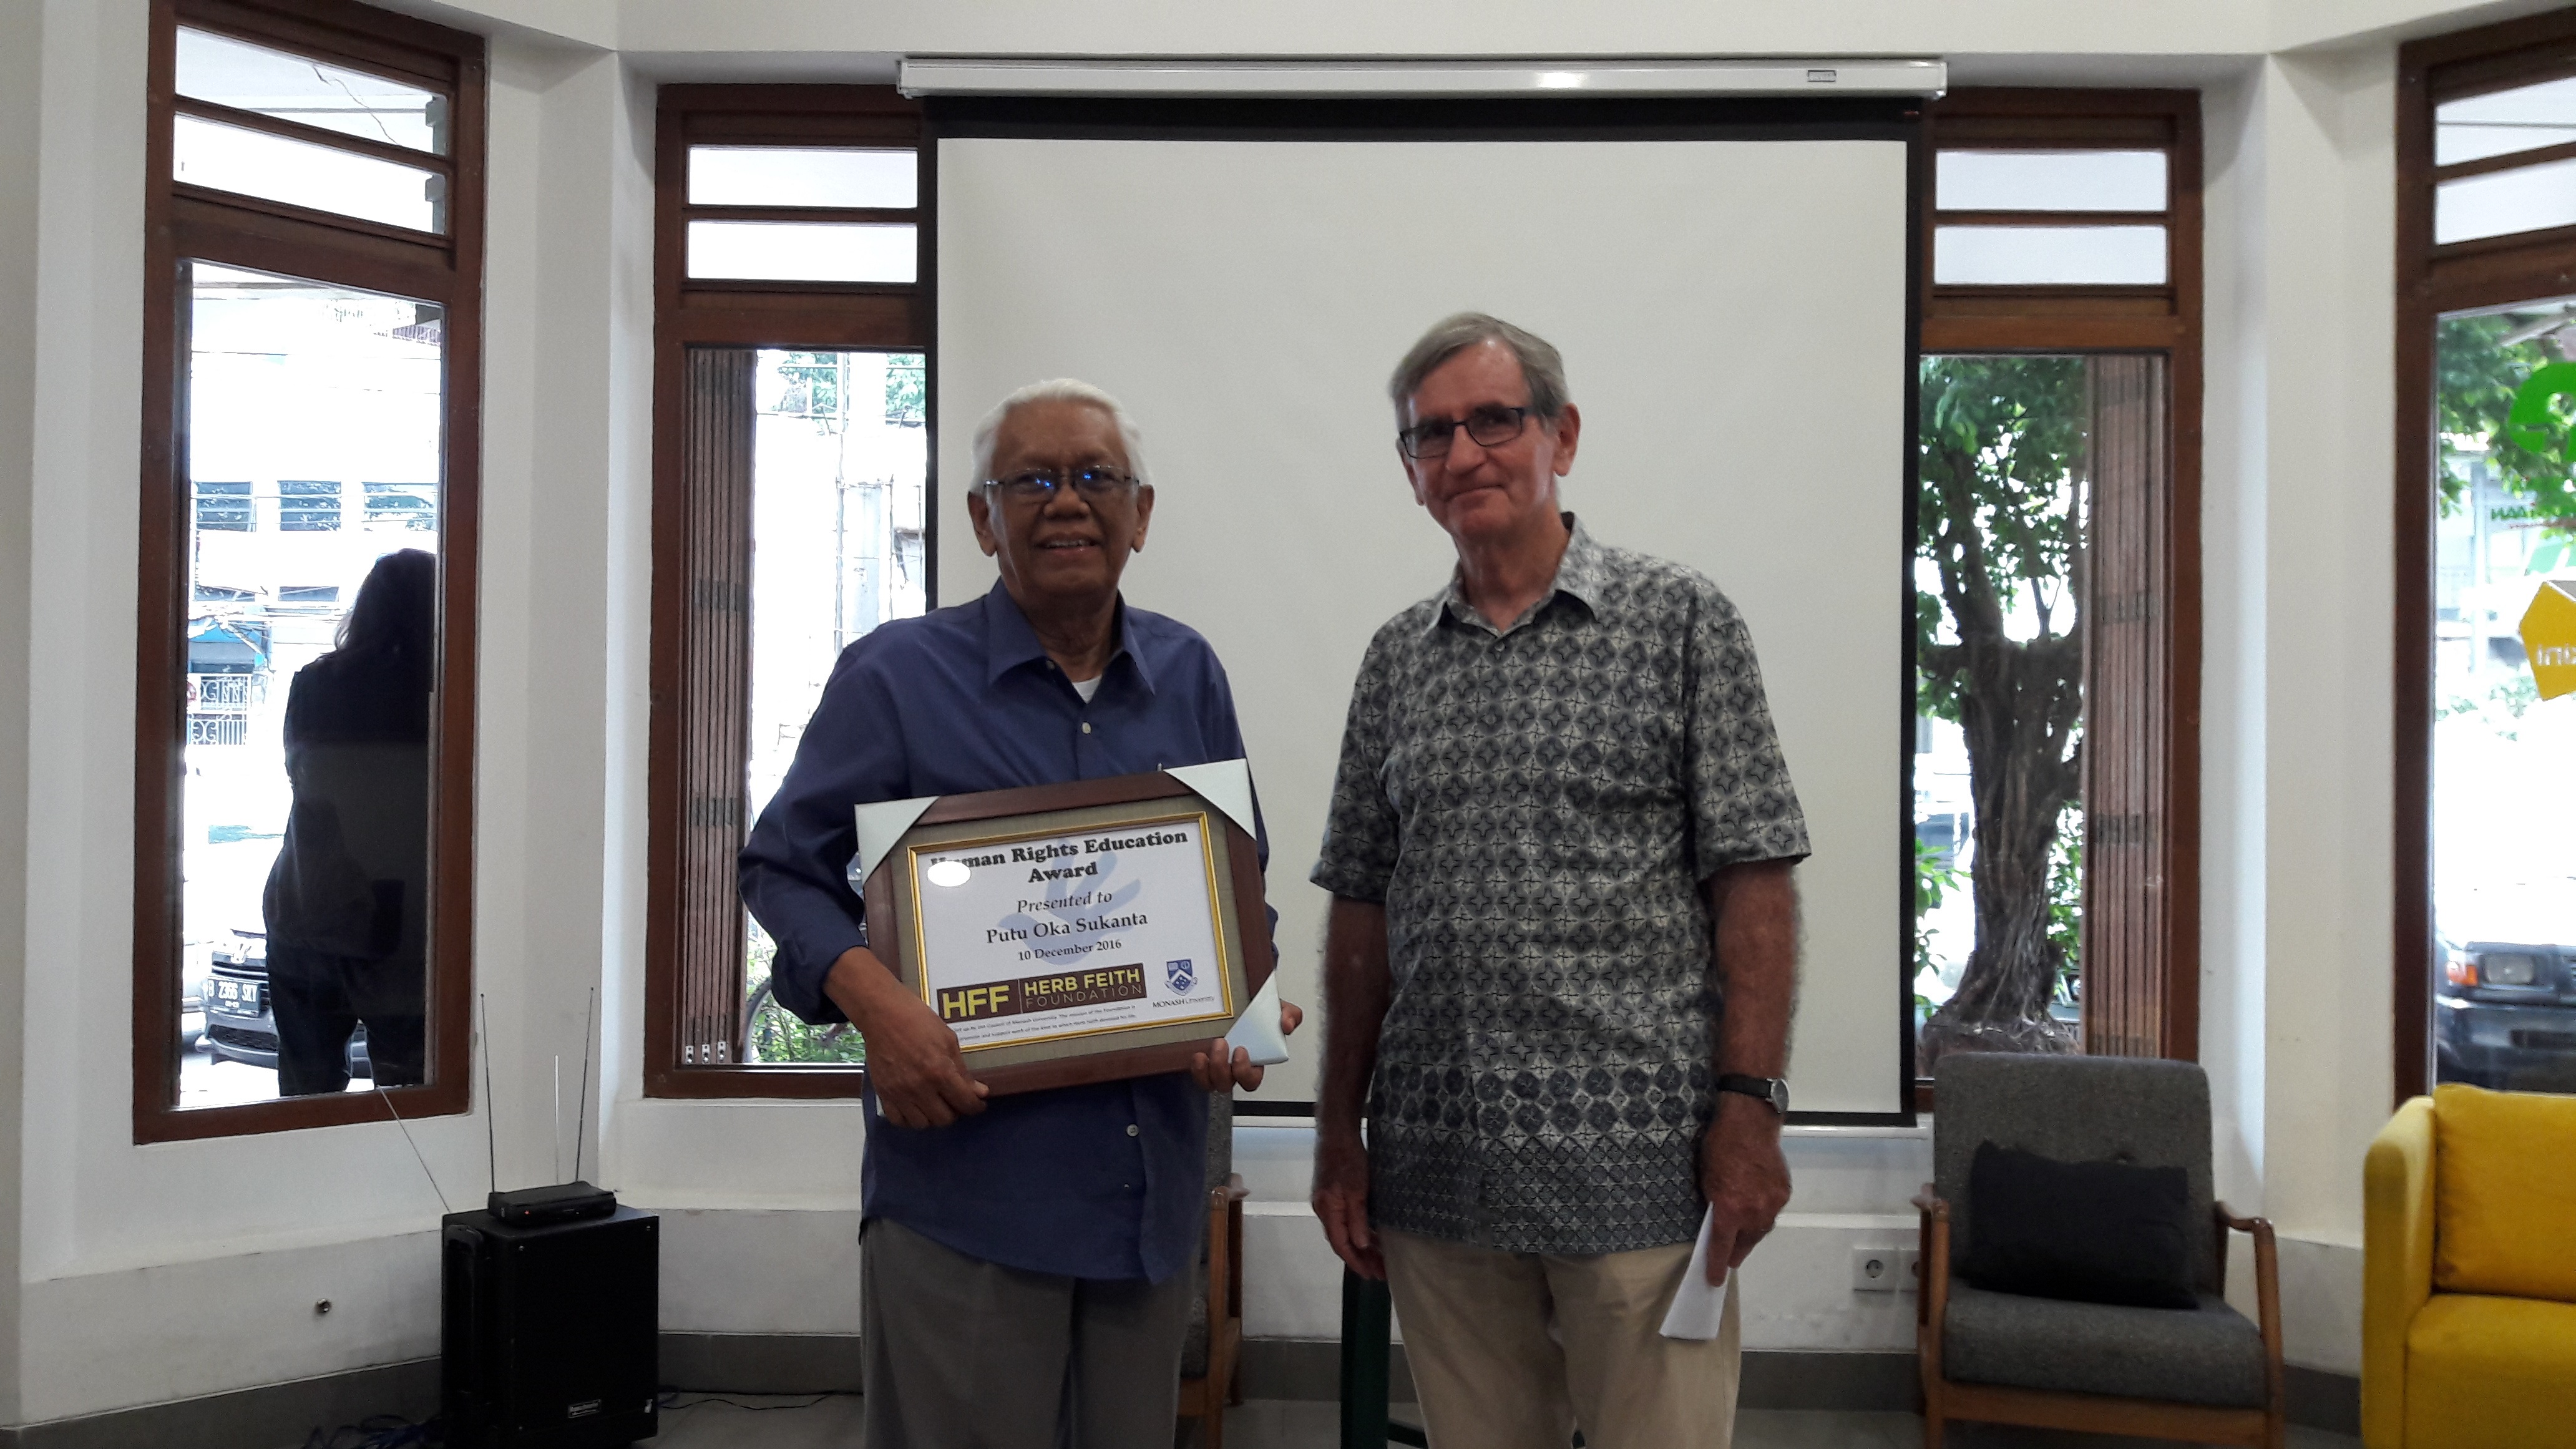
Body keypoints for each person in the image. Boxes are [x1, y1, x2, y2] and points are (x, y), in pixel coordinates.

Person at [739, 379, 1299, 1449]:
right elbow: (780, 870)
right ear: (980, 517)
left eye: (1095, 476)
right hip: (970, 1200)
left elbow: (1235, 882)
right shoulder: (895, 677)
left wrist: (1238, 1012)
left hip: (1146, 1200)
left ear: (1141, 512)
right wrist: (877, 1005)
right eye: (1031, 480)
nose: (1066, 501)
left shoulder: (1189, 673)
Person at [1308, 315, 1808, 1449]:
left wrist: (1750, 1111)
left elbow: (1755, 885)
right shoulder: (1396, 659)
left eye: (1493, 420)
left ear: (1561, 436)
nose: (1463, 453)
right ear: (1410, 469)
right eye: (1431, 434)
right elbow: (1361, 905)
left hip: (1641, 1164)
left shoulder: (1681, 622)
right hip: (1438, 1166)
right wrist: (1339, 1129)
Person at [262, 546, 437, 1096]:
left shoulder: (315, 683)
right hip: (406, 922)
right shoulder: (447, 694)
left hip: (308, 902)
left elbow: (300, 776)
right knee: (411, 1097)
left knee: (306, 1094)